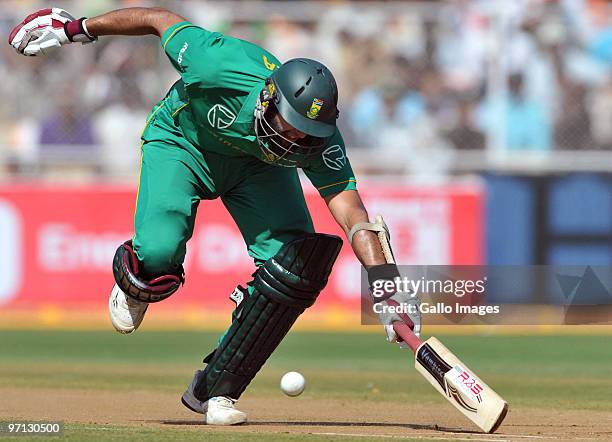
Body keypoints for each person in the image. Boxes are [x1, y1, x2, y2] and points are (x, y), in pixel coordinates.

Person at [9, 6, 420, 425]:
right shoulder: (216, 61)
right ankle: (140, 280)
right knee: (159, 252)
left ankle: (216, 390)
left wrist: (387, 287)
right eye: (290, 124)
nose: (293, 139)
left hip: (257, 168)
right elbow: (158, 19)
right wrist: (76, 29)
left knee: (296, 267)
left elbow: (354, 215)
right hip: (182, 143)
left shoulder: (318, 142)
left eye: (306, 135)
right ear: (267, 96)